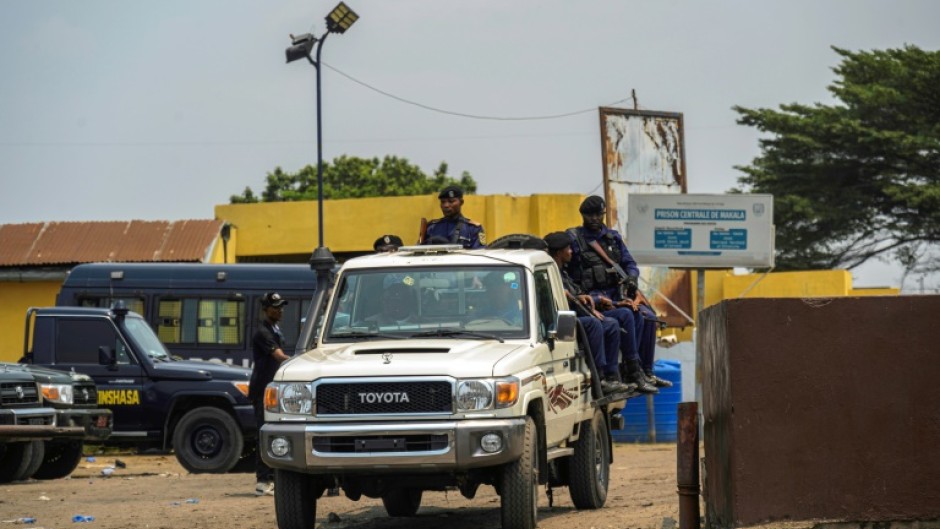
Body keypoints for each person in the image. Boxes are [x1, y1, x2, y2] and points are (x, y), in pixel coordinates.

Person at [566, 195, 671, 390]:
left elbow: (629, 263)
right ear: (583, 215)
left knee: (648, 316)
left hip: (616, 294)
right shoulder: (575, 239)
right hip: (595, 297)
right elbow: (567, 272)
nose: (595, 219)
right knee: (628, 315)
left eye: (599, 214)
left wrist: (631, 277)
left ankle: (646, 372)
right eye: (590, 215)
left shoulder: (612, 238)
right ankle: (632, 370)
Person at [544, 232, 633, 395]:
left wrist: (601, 301)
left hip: (573, 315)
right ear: (558, 253)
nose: (571, 251)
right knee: (594, 324)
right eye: (568, 249)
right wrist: (582, 302)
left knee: (614, 322)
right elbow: (562, 300)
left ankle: (613, 375)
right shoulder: (549, 274)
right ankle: (598, 378)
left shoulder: (562, 272)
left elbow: (577, 294)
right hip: (560, 322)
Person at [248, 292, 292, 496]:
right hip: (262, 390)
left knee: (276, 433)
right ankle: (262, 481)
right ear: (265, 309)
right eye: (276, 307)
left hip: (273, 390)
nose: (280, 310)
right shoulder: (262, 332)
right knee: (263, 434)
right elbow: (279, 356)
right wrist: (299, 362)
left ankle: (273, 478)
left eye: (281, 306)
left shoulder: (275, 329)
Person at [421, 185, 486, 249]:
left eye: (451, 201)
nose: (446, 205)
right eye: (443, 202)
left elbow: (479, 254)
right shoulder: (431, 227)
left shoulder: (473, 228)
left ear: (461, 202)